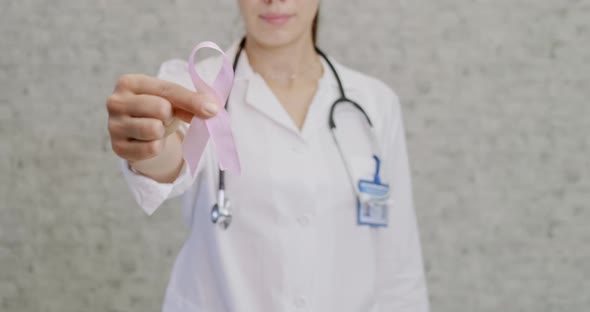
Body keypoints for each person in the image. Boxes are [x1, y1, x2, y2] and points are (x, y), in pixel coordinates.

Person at [106, 0, 429, 311]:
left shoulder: (375, 103)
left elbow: (398, 265)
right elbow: (167, 155)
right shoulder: (194, 88)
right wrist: (148, 140)